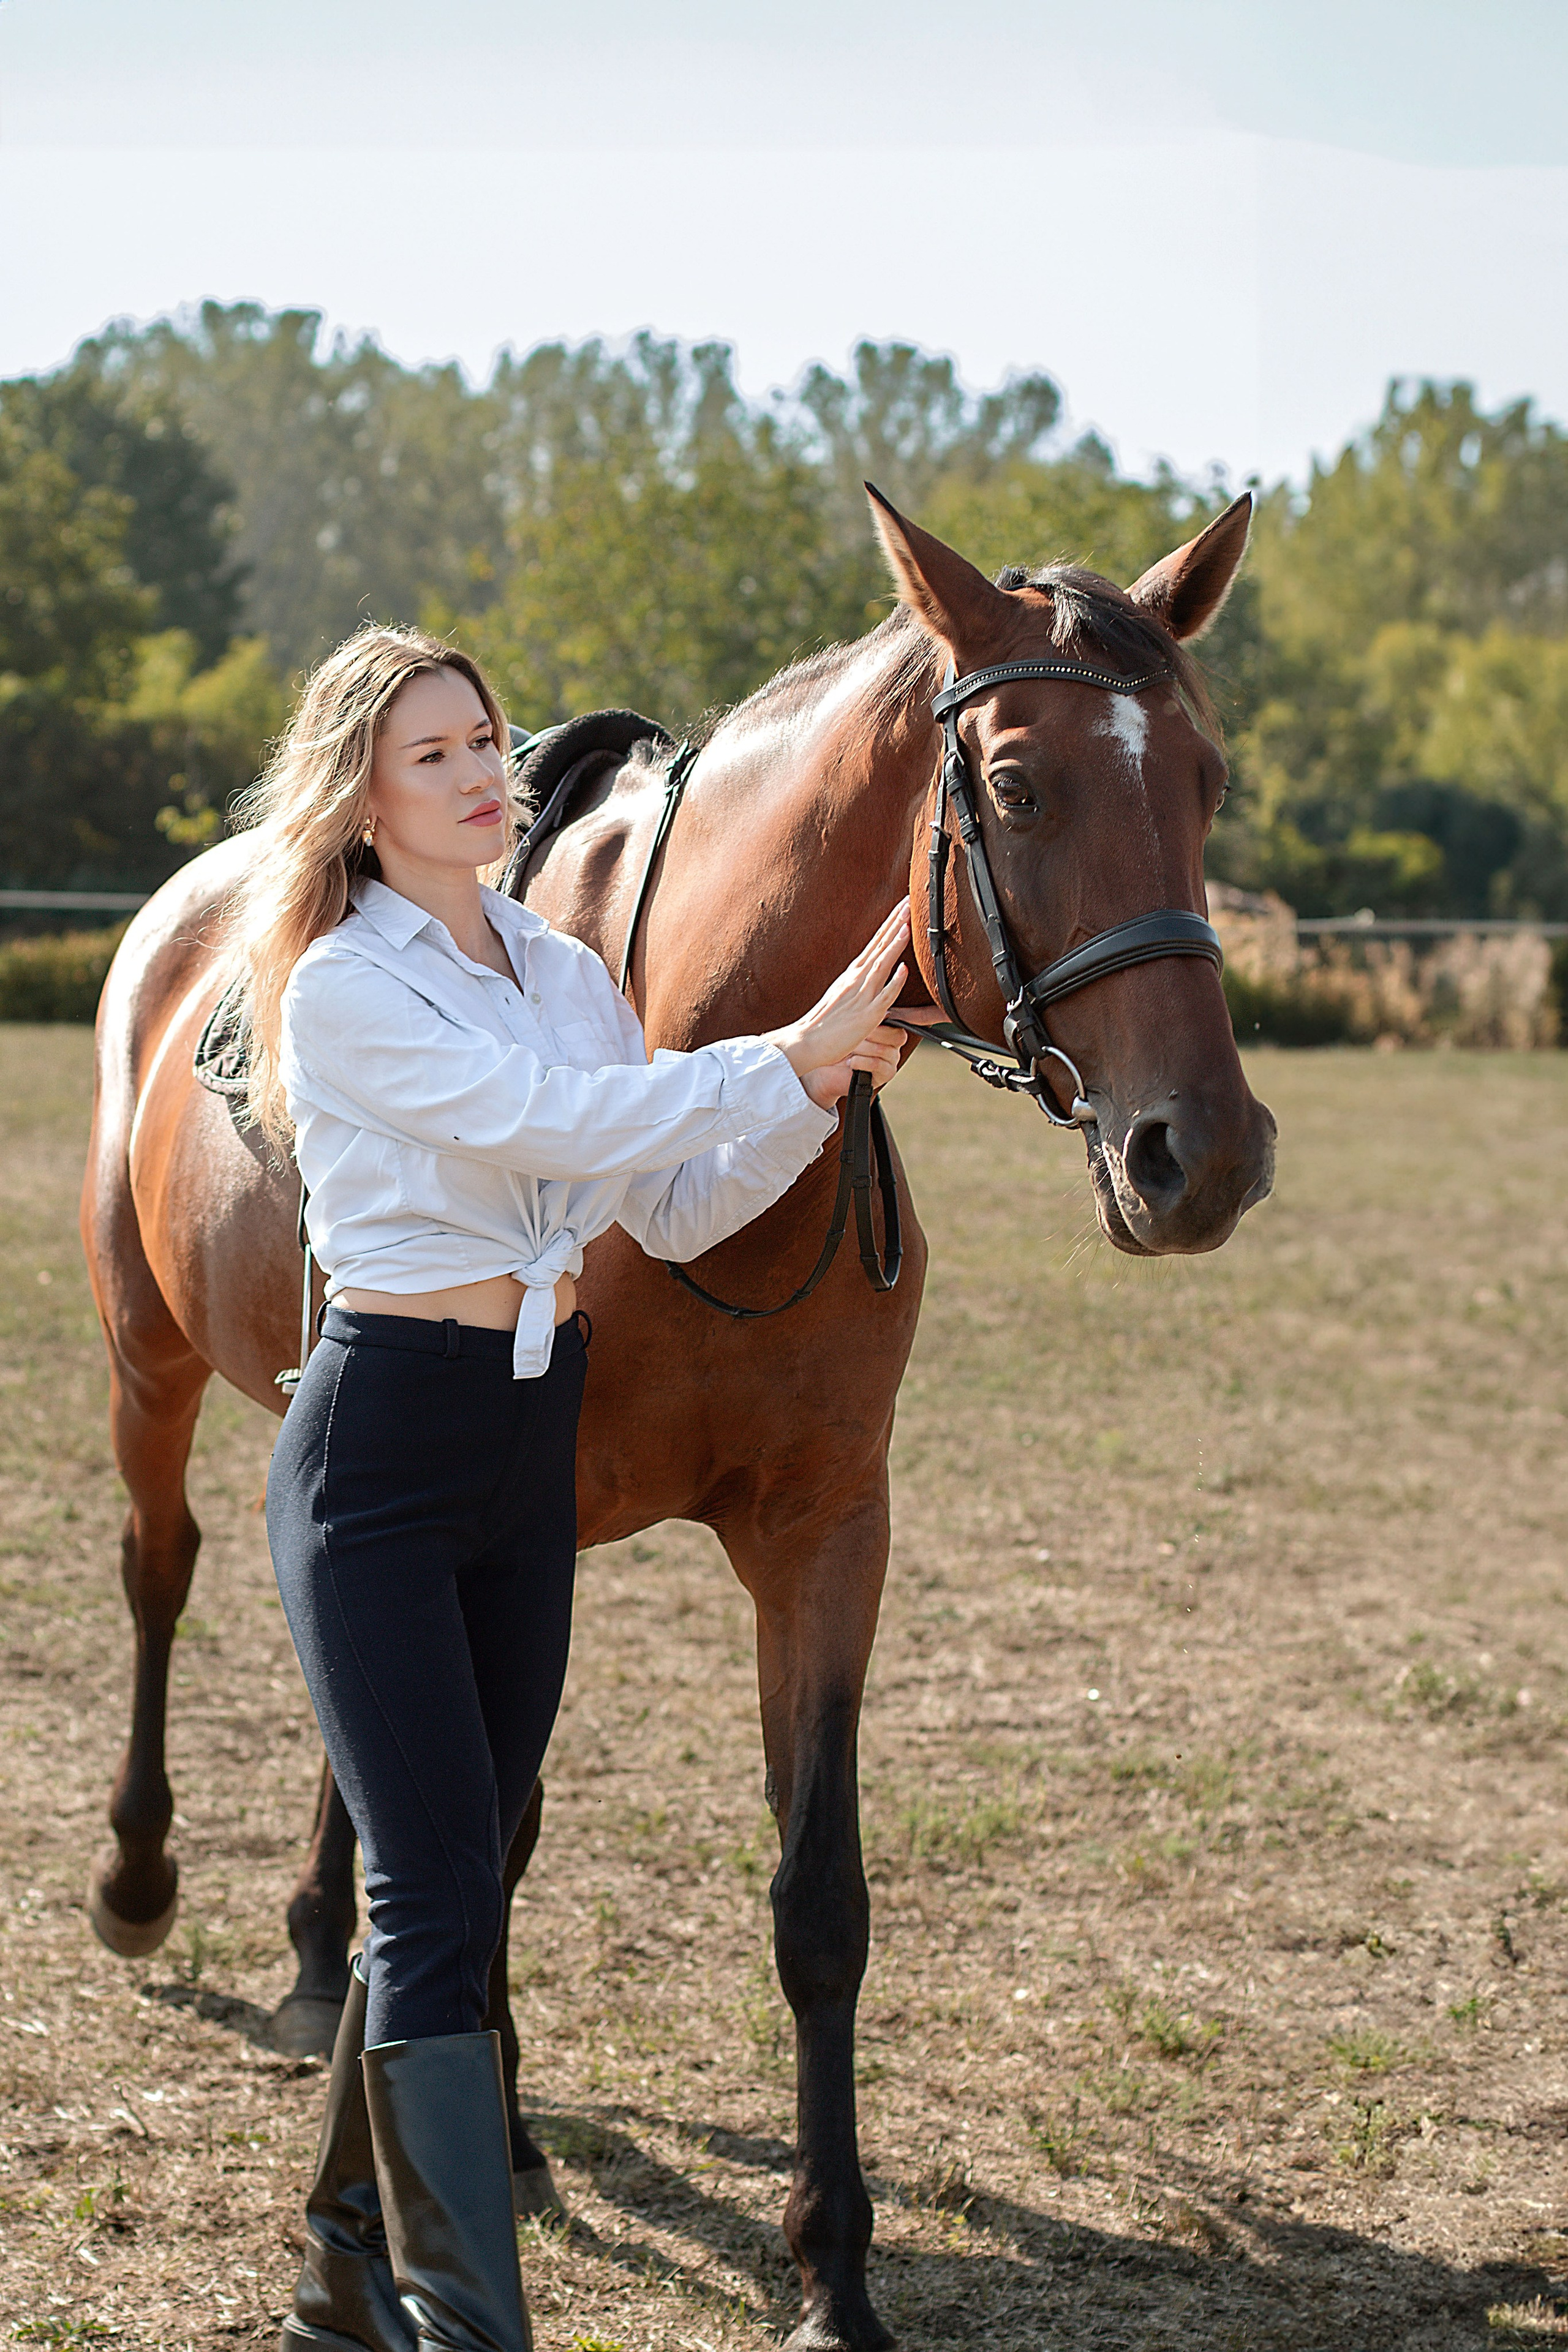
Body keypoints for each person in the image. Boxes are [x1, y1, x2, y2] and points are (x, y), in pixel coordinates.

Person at [227, 625, 911, 2352]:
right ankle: (470, 2324)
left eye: (487, 741)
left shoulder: (557, 969)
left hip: (524, 1454)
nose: (481, 775)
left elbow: (663, 1201)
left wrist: (816, 1089)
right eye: (433, 755)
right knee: (444, 1885)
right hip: (378, 1454)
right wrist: (785, 1048)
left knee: (450, 1879)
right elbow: (540, 1124)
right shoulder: (345, 985)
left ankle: (334, 2273)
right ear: (361, 800)